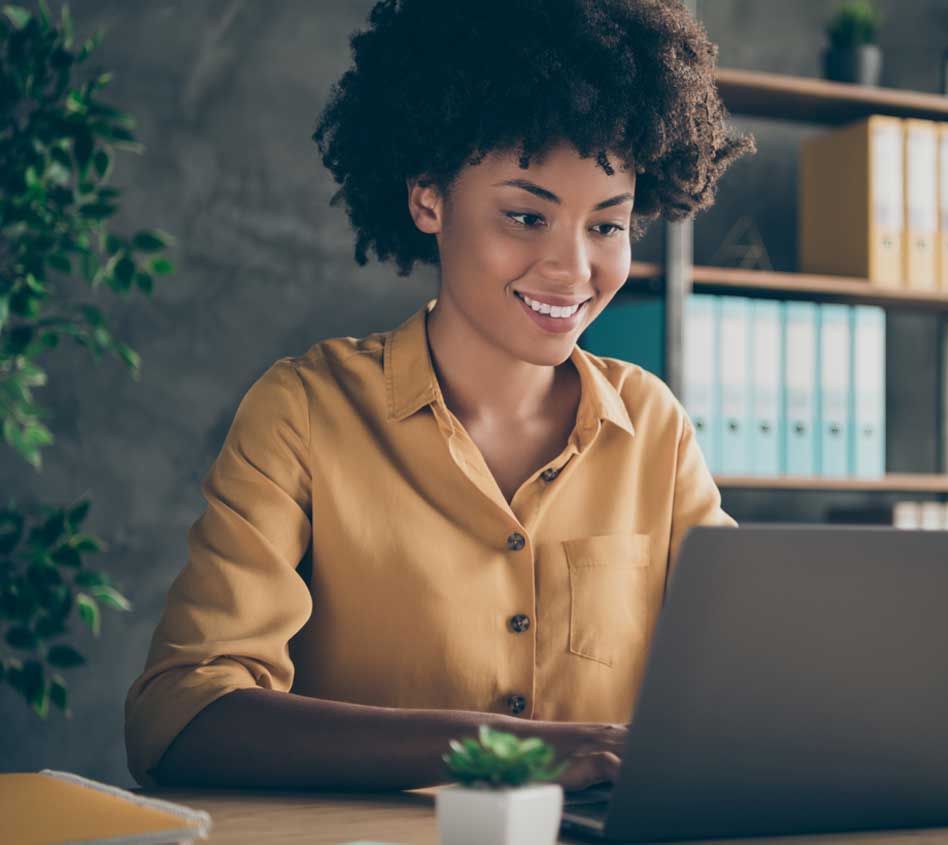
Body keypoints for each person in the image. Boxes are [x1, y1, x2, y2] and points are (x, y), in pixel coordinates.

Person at [124, 0, 755, 793]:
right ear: (428, 198)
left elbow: (742, 684)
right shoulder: (304, 414)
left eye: (606, 226)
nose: (572, 268)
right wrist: (501, 750)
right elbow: (180, 716)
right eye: (526, 215)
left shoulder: (655, 428)